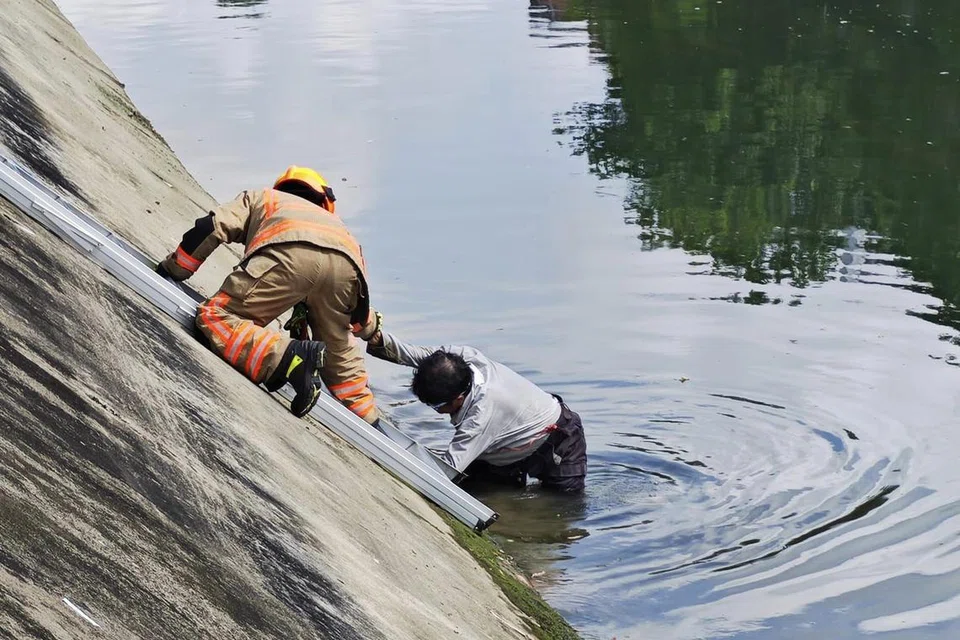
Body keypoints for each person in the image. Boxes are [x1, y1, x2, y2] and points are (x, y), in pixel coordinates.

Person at [156, 166, 383, 422]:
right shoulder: (343, 231)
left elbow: (211, 227)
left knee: (216, 317)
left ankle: (288, 356)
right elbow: (357, 312)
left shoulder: (264, 198)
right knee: (338, 355)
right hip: (346, 270)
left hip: (287, 259)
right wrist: (371, 329)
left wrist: (174, 269)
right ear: (325, 201)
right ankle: (368, 418)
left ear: (282, 187)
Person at [367, 330, 587, 492]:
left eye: (436, 407)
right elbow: (419, 356)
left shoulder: (479, 418)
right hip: (506, 443)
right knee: (479, 489)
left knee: (559, 505)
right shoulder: (461, 358)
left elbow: (446, 471)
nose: (437, 413)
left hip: (557, 440)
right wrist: (376, 336)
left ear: (458, 398)